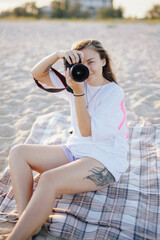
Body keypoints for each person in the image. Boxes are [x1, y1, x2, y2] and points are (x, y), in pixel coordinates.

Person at [6, 39, 129, 240]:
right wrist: (57, 55)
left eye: (91, 62)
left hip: (104, 160)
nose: (86, 68)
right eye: (81, 63)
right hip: (75, 151)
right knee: (18, 151)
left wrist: (77, 92)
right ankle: (26, 220)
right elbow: (37, 74)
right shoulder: (74, 81)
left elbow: (86, 130)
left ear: (103, 61)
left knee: (49, 179)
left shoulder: (113, 93)